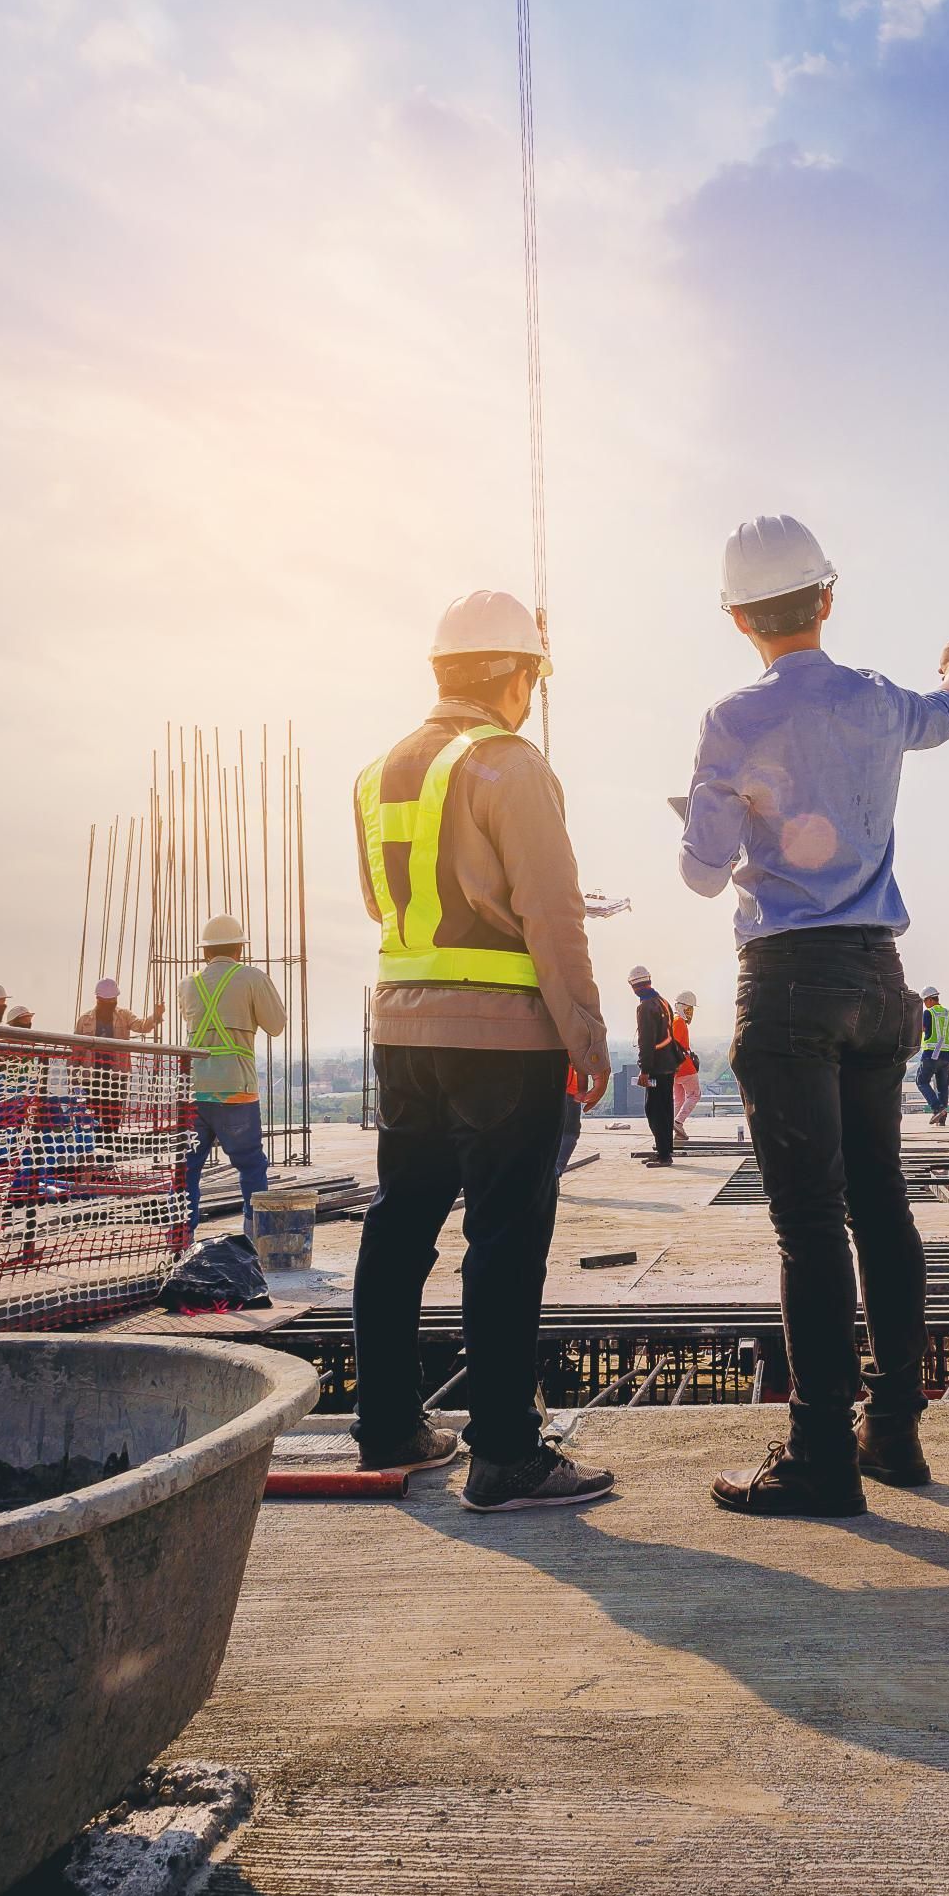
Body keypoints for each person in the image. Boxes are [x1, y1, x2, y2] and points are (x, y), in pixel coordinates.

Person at [679, 513, 949, 1518]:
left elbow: (702, 871)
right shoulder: (881, 701)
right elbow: (943, 715)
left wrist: (714, 814)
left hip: (789, 980)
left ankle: (818, 1454)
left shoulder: (732, 719)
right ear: (827, 599)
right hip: (879, 978)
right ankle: (892, 1431)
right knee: (880, 1206)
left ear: (738, 619)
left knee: (809, 1225)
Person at [352, 588, 614, 1511]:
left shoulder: (378, 771)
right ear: (514, 675)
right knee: (503, 1237)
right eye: (533, 678)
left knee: (399, 1225)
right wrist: (585, 1034)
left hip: (401, 1031)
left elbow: (382, 903)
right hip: (502, 1040)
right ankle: (504, 1454)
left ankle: (388, 1426)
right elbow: (551, 912)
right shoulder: (510, 764)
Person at [180, 912, 285, 1237]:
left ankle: (180, 1239)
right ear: (240, 948)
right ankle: (255, 1240)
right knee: (251, 1165)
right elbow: (276, 1025)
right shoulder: (252, 978)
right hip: (236, 1089)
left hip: (194, 1090)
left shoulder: (188, 984)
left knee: (187, 1170)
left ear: (205, 951)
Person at [629, 965, 680, 1164]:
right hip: (668, 1063)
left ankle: (663, 1155)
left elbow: (646, 1041)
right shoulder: (662, 1002)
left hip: (657, 1067)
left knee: (654, 1110)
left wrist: (644, 1070)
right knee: (665, 1108)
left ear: (633, 986)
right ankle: (664, 1151)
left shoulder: (645, 1007)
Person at [915, 988, 949, 1127]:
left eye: (925, 1001)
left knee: (921, 1081)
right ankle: (942, 1120)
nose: (925, 1004)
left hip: (930, 1055)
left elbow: (920, 1030)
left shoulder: (928, 1013)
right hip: (946, 1057)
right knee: (942, 1088)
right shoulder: (948, 1014)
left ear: (930, 999)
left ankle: (937, 1108)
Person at [74, 976, 165, 1041]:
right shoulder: (83, 1020)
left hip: (118, 1063)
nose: (111, 1003)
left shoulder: (125, 1016)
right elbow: (76, 1048)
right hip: (91, 1063)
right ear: (98, 999)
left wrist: (156, 1015)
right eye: (107, 1001)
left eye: (113, 1000)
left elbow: (142, 1027)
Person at [671, 990, 702, 1142]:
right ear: (681, 1007)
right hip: (684, 1067)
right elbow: (675, 1046)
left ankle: (675, 1129)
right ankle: (678, 1122)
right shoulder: (679, 1022)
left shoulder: (672, 1020)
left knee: (679, 1099)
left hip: (674, 1070)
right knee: (695, 1095)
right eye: (688, 1009)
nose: (690, 1013)